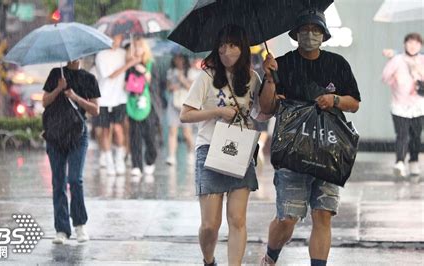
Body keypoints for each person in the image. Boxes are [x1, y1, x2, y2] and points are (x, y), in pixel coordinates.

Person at [258, 9, 361, 266]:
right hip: (292, 150)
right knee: (287, 218)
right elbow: (267, 108)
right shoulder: (283, 63)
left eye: (315, 30)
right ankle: (271, 255)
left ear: (324, 35)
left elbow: (354, 103)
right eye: (305, 30)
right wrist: (270, 76)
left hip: (328, 150)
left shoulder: (338, 64)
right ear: (296, 34)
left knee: (323, 214)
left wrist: (334, 99)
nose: (310, 35)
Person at [180, 24, 264, 266]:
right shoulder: (207, 76)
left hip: (240, 149)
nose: (226, 51)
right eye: (222, 45)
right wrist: (218, 111)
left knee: (237, 220)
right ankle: (208, 260)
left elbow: (263, 113)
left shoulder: (253, 78)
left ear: (243, 48)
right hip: (209, 148)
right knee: (210, 225)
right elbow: (185, 115)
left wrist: (270, 79)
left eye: (233, 45)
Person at [42, 59, 100, 244]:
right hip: (55, 134)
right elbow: (44, 102)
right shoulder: (55, 74)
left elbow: (95, 110)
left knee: (75, 179)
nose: (73, 58)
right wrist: (58, 89)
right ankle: (61, 229)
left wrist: (75, 97)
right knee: (58, 182)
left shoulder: (89, 78)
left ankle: (80, 225)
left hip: (77, 134)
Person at [94, 33, 138, 175]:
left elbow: (132, 66)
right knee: (105, 131)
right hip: (104, 99)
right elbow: (111, 75)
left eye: (118, 38)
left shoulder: (123, 53)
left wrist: (132, 59)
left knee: (119, 129)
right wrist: (128, 64)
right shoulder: (101, 55)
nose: (116, 41)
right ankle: (108, 160)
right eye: (113, 38)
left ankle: (119, 158)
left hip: (120, 98)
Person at [382, 33, 424, 177]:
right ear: (405, 44)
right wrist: (394, 76)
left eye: (416, 43)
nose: (413, 46)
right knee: (402, 134)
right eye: (410, 43)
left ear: (420, 46)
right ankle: (399, 162)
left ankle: (414, 161)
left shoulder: (422, 60)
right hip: (399, 105)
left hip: (418, 106)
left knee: (416, 136)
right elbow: (385, 77)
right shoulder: (397, 59)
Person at [125, 36, 160, 176]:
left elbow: (156, 84)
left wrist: (145, 73)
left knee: (150, 136)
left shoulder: (151, 64)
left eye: (139, 46)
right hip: (134, 104)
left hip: (149, 104)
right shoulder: (129, 66)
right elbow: (125, 83)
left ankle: (150, 160)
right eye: (135, 46)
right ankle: (136, 165)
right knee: (135, 136)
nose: (137, 49)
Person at [165, 52, 195, 166]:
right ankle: (171, 156)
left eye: (180, 58)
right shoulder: (171, 72)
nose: (178, 61)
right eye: (176, 58)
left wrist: (182, 79)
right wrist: (172, 87)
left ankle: (190, 152)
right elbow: (168, 87)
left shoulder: (191, 72)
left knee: (187, 133)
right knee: (172, 130)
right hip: (173, 103)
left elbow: (191, 88)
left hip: (186, 106)